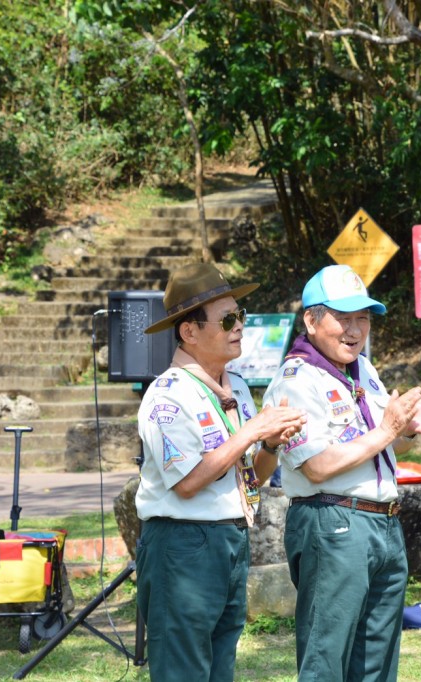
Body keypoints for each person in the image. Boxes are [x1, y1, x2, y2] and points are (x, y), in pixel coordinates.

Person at [262, 264, 421, 682]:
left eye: (362, 318)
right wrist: (388, 429)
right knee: (326, 656)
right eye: (342, 318)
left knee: (378, 658)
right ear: (311, 320)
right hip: (333, 521)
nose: (354, 329)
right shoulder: (297, 380)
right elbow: (317, 466)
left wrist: (409, 430)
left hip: (383, 521)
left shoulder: (362, 370)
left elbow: (385, 444)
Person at [136, 262, 307, 682]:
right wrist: (251, 431)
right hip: (184, 545)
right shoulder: (167, 396)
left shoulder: (239, 388)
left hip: (231, 538)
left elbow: (252, 476)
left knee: (220, 665)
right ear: (188, 332)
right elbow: (190, 481)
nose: (239, 327)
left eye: (241, 316)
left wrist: (269, 442)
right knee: (183, 667)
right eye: (227, 319)